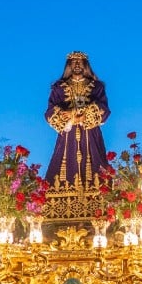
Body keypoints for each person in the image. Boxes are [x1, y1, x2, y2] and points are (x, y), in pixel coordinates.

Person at [44, 51, 109, 188]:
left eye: (80, 62)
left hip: (90, 132)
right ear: (69, 65)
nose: (77, 64)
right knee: (65, 164)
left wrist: (84, 115)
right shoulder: (59, 87)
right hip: (68, 134)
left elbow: (103, 108)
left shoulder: (97, 86)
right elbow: (50, 111)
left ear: (86, 65)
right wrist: (69, 117)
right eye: (74, 62)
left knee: (96, 164)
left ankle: (99, 193)